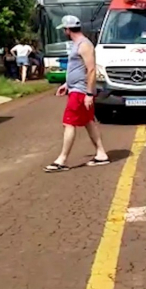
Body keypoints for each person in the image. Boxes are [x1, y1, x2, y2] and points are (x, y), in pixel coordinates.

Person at [44, 15, 109, 173]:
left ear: (67, 29)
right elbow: (77, 69)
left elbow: (91, 69)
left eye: (64, 29)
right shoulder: (77, 44)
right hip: (76, 89)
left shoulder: (84, 45)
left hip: (80, 92)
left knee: (69, 123)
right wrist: (67, 84)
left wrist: (88, 93)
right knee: (88, 122)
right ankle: (101, 154)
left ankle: (62, 159)